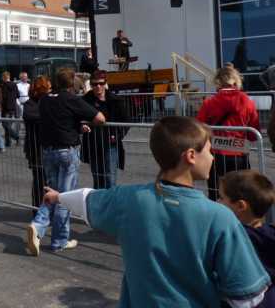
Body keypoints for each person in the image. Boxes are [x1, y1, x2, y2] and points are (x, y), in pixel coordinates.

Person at [38, 117, 271, 307]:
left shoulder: (127, 199)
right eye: (209, 151)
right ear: (191, 156)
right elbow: (246, 296)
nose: (212, 157)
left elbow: (86, 199)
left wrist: (58, 197)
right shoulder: (220, 217)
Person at [26, 68, 105, 254]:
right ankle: (58, 240)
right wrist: (85, 123)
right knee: (64, 196)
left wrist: (76, 124)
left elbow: (58, 120)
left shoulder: (45, 100)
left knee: (51, 193)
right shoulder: (71, 99)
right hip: (67, 151)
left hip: (48, 151)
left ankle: (38, 226)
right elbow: (100, 118)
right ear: (71, 83)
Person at [196, 66, 259, 200]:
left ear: (218, 82)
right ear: (236, 81)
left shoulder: (209, 102)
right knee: (241, 193)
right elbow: (253, 135)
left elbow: (199, 129)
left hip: (216, 154)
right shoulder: (247, 101)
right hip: (239, 153)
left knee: (215, 192)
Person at [219, 170, 275, 308]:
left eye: (221, 198)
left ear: (240, 206)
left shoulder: (234, 239)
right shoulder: (270, 236)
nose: (217, 202)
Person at [81, 70, 128, 189]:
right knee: (97, 178)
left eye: (101, 83)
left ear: (105, 83)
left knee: (110, 179)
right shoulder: (85, 100)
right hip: (93, 144)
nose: (98, 86)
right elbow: (78, 117)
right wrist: (81, 126)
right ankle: (98, 200)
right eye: (94, 84)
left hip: (110, 144)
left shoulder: (115, 100)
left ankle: (110, 201)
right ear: (91, 85)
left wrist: (117, 135)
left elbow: (126, 121)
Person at [22, 75, 50, 210]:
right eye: (48, 88)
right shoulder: (30, 104)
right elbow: (30, 116)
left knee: (48, 181)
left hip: (47, 147)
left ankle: (47, 209)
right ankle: (38, 210)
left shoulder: (48, 102)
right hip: (36, 149)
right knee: (39, 181)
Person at [0, 71, 20, 148]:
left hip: (6, 108)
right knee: (8, 125)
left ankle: (16, 136)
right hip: (13, 107)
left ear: (3, 77)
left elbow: (3, 97)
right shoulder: (14, 85)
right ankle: (8, 142)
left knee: (5, 125)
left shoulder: (3, 85)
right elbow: (18, 95)